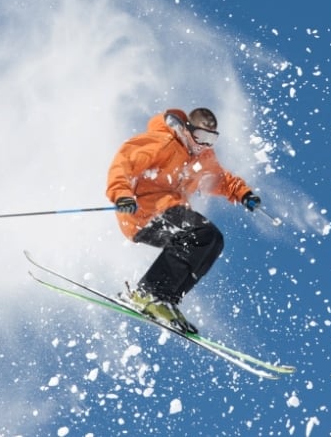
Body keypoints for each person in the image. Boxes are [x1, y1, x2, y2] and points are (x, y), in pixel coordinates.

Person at [106, 107, 261, 333]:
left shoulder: (202, 157)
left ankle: (165, 298)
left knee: (213, 240)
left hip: (171, 210)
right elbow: (125, 160)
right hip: (144, 211)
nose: (204, 144)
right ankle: (148, 293)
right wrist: (121, 194)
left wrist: (242, 193)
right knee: (200, 234)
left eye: (211, 138)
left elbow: (220, 180)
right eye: (201, 137)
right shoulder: (165, 141)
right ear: (188, 129)